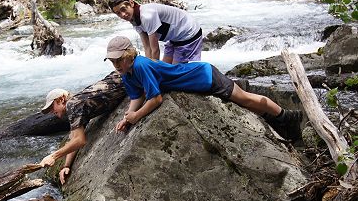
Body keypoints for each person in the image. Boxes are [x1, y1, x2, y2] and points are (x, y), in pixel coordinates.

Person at [104, 36, 302, 139]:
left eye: (119, 60)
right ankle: (276, 119)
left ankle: (286, 117)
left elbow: (155, 99)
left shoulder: (140, 65)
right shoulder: (127, 72)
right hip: (198, 79)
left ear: (129, 54)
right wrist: (127, 118)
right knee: (244, 102)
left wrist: (137, 116)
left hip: (205, 77)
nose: (116, 65)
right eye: (113, 61)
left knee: (245, 99)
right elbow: (136, 96)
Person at [39, 72, 126, 184]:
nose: (51, 111)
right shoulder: (76, 103)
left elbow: (80, 140)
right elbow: (74, 139)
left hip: (125, 79)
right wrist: (66, 166)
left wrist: (53, 156)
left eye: (52, 106)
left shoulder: (72, 105)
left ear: (61, 99)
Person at [108, 0, 203, 64]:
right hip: (175, 38)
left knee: (175, 73)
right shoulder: (134, 19)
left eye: (123, 9)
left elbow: (155, 50)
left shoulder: (146, 16)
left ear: (131, 3)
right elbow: (147, 48)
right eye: (118, 13)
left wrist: (153, 72)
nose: (123, 15)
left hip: (189, 33)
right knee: (166, 70)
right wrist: (148, 68)